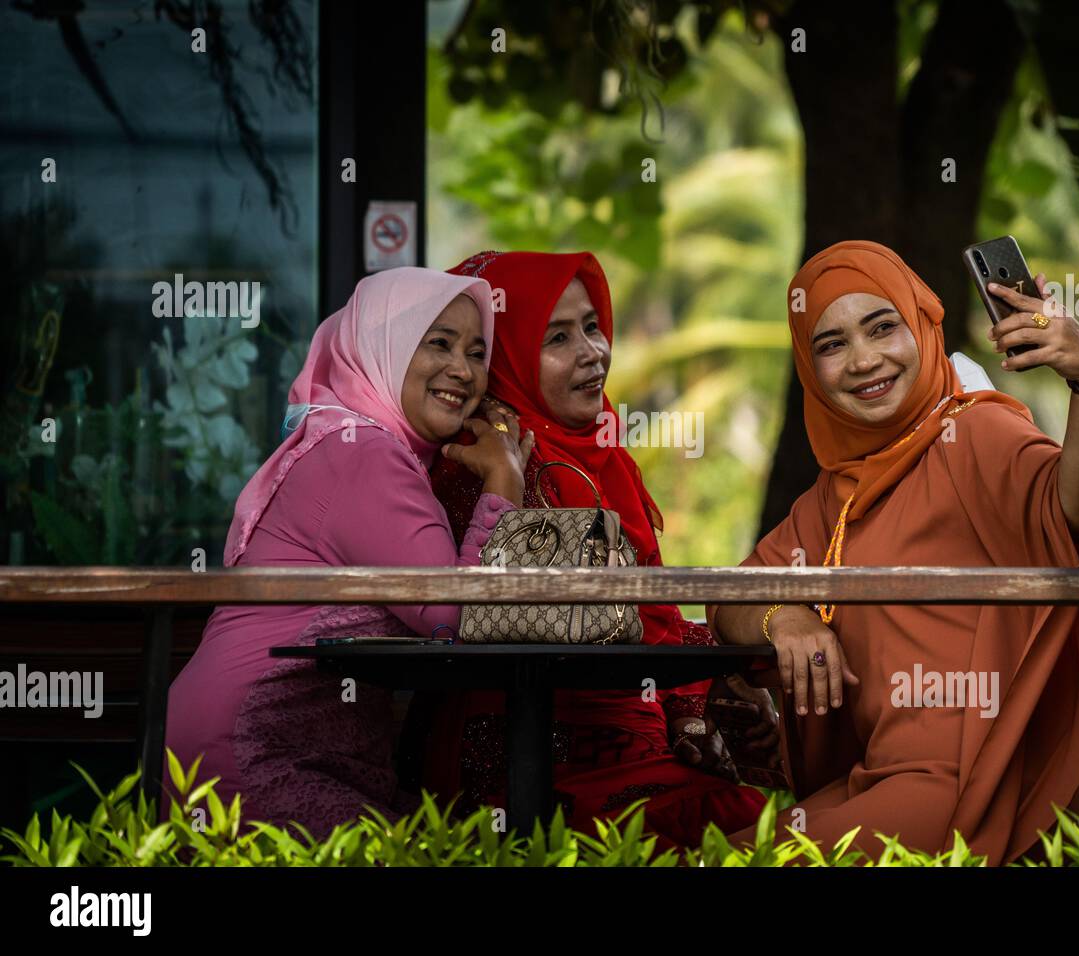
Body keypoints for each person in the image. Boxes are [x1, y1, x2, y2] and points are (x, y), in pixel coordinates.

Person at [709, 240, 1079, 865]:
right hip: (885, 779)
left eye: (882, 327)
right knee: (702, 854)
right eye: (831, 344)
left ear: (923, 325)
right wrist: (783, 616)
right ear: (809, 369)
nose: (865, 361)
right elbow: (732, 595)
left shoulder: (973, 431)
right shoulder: (834, 495)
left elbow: (1073, 510)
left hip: (980, 782)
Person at [419, 249, 773, 846]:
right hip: (532, 756)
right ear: (502, 356)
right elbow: (537, 628)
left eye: (591, 326)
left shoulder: (603, 457)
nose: (593, 352)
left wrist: (723, 680)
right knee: (733, 830)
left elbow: (643, 614)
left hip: (635, 737)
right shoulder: (481, 463)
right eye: (556, 337)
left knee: (764, 822)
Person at [165, 267, 533, 835]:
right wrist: (504, 482)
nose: (463, 370)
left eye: (477, 352)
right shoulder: (363, 453)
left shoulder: (355, 442)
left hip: (279, 744)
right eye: (437, 343)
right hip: (253, 749)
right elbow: (454, 618)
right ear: (378, 349)